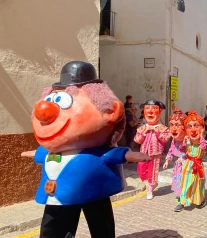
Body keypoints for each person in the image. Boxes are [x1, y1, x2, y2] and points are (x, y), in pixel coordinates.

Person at [20, 61, 151, 238]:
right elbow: (44, 154)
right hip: (60, 195)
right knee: (55, 224)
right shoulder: (53, 150)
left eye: (62, 102)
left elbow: (111, 154)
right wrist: (36, 153)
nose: (44, 111)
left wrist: (129, 154)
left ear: (111, 111)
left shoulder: (95, 151)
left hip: (94, 190)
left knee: (100, 221)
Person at [134, 100, 171, 200]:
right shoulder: (142, 128)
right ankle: (152, 184)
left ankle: (150, 189)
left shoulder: (163, 128)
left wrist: (157, 131)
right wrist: (145, 131)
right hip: (143, 153)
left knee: (152, 172)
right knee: (141, 171)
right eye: (147, 109)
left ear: (159, 112)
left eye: (154, 109)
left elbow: (165, 139)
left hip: (155, 154)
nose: (150, 112)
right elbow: (137, 140)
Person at [175, 110, 207, 212]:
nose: (193, 130)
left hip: (198, 166)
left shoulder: (203, 142)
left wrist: (201, 135)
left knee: (199, 184)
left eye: (196, 126)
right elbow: (182, 150)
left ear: (202, 128)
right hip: (188, 165)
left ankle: (200, 201)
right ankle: (182, 202)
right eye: (189, 127)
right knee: (185, 183)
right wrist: (183, 144)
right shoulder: (187, 141)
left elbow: (203, 148)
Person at [163, 108, 187, 209]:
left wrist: (182, 158)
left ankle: (183, 201)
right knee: (177, 181)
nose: (173, 128)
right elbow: (171, 150)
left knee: (185, 182)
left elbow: (191, 153)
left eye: (177, 125)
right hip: (178, 167)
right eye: (172, 125)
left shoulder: (188, 140)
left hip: (187, 167)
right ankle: (181, 197)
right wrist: (167, 160)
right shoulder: (174, 141)